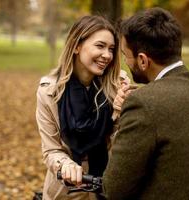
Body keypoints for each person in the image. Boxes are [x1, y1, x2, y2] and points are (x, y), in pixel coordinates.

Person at [103, 7, 189, 200]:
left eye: (125, 55)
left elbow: (113, 189)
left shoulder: (143, 103)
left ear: (143, 60)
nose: (125, 63)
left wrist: (122, 119)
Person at [36, 15, 129, 200]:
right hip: (66, 193)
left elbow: (126, 147)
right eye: (100, 46)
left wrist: (120, 113)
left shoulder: (119, 85)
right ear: (77, 46)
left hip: (108, 190)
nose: (107, 55)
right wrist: (65, 165)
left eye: (111, 49)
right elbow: (51, 150)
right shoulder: (49, 91)